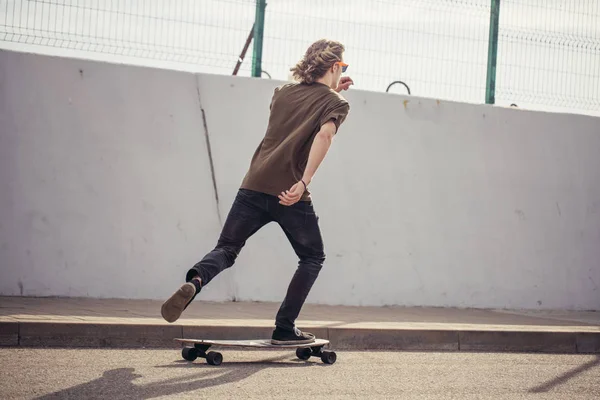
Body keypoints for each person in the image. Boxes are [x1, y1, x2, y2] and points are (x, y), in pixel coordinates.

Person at [161, 39, 353, 345]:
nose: (342, 70)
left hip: (252, 185)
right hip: (289, 192)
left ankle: (196, 281)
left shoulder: (282, 93)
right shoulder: (336, 104)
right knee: (312, 257)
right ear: (333, 67)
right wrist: (304, 182)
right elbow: (324, 134)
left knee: (227, 248)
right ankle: (285, 328)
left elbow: (301, 111)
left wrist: (332, 92)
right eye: (342, 66)